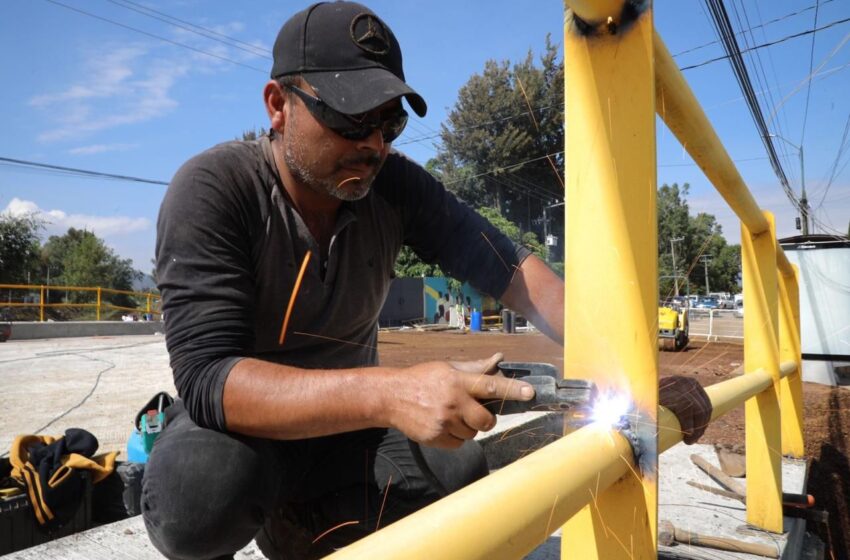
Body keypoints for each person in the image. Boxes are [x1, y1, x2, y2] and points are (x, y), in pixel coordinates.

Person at [142, 2, 713, 559]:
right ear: (278, 104)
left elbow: (510, 271)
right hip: (241, 430)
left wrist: (636, 379)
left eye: (388, 122)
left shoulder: (394, 186)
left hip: (347, 428)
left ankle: (302, 524)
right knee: (199, 498)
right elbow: (209, 379)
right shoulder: (214, 189)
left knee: (461, 475)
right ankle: (258, 502)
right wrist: (393, 391)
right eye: (350, 118)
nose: (373, 144)